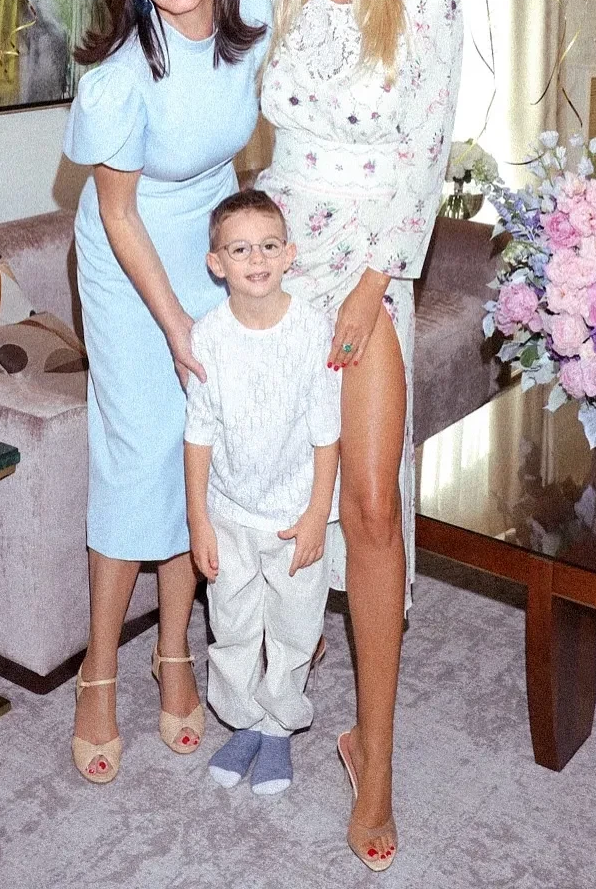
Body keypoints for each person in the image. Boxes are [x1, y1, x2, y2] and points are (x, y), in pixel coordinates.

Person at [257, 0, 463, 870]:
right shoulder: (275, 12)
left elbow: (426, 157)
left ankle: (373, 756)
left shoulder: (423, 7)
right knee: (274, 490)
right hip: (278, 263)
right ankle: (258, 691)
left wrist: (372, 285)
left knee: (374, 504)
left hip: (371, 266)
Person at [62, 0, 272, 784]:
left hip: (209, 242)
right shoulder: (118, 80)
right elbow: (117, 216)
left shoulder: (252, 13)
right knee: (139, 451)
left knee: (202, 449)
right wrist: (178, 322)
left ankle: (175, 650)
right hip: (130, 260)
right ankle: (97, 671)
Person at [183, 189, 341, 796]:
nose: (257, 259)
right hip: (228, 515)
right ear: (216, 262)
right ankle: (244, 720)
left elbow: (327, 433)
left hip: (296, 516)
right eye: (240, 249)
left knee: (295, 626)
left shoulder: (311, 329)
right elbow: (198, 436)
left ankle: (279, 725)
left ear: (289, 254)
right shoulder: (208, 337)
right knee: (232, 625)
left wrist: (317, 515)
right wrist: (199, 520)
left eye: (269, 246)